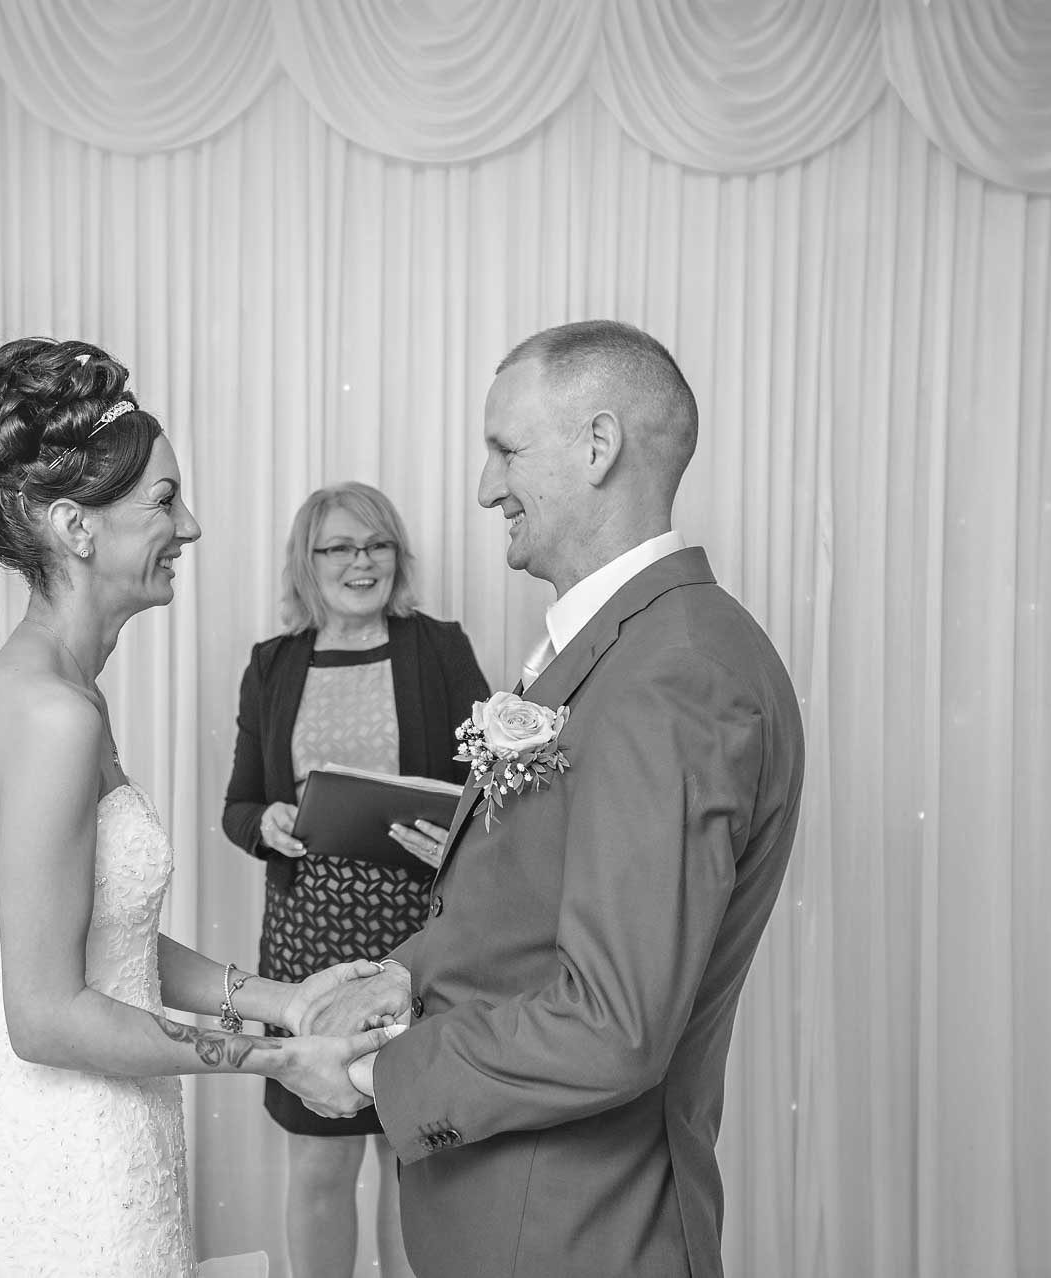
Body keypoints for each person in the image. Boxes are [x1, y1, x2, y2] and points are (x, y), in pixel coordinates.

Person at [0, 338, 395, 1278]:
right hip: (73, 1175)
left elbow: (100, 939)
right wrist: (279, 1061)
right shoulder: (50, 717)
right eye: (166, 500)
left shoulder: (60, 692)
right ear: (75, 527)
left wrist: (282, 1003)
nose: (194, 527)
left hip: (109, 1139)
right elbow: (44, 1018)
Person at [309, 320, 806, 1276]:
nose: (486, 486)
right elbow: (535, 901)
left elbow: (615, 1025)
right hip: (522, 1220)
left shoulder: (677, 673)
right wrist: (407, 972)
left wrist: (384, 1072)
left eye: (505, 449)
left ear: (598, 446)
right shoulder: (626, 646)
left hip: (579, 1232)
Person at [221, 482, 489, 1278]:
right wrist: (264, 823)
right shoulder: (273, 665)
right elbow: (238, 805)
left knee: (417, 1159)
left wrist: (453, 832)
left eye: (376, 545)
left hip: (421, 943)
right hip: (309, 952)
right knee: (320, 1165)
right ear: (308, 562)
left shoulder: (438, 648)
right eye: (339, 547)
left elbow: (495, 792)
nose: (360, 562)